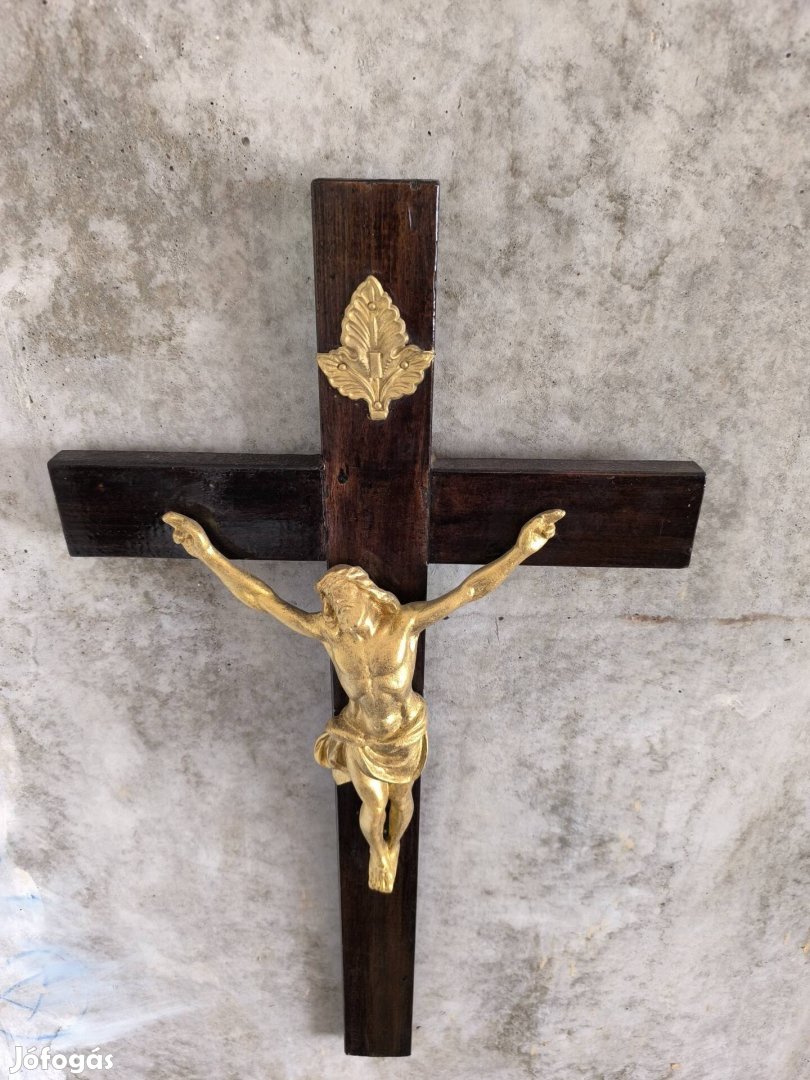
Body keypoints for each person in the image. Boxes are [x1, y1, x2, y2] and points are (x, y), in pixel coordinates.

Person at [163, 507, 564, 892]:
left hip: (404, 734)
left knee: (401, 800)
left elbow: (469, 591)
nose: (339, 610)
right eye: (334, 605)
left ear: (367, 595)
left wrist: (522, 549)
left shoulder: (404, 624)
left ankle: (395, 842)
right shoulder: (331, 634)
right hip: (361, 735)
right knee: (373, 804)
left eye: (345, 600)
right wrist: (207, 553)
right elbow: (263, 600)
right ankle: (379, 851)